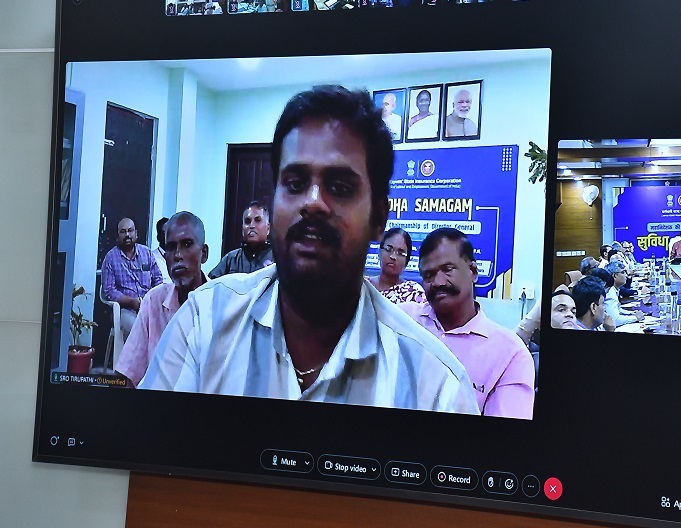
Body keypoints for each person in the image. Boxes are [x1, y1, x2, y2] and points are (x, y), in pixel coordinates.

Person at [141, 86, 478, 414]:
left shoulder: (435, 389)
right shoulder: (204, 324)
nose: (313, 202)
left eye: (340, 187)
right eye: (295, 184)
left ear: (378, 218)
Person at [399, 228, 535, 419]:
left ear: (473, 271)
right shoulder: (402, 321)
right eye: (428, 275)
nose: (438, 282)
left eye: (448, 269)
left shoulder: (510, 354)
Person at [115, 212, 208, 387]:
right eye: (171, 247)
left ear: (203, 253)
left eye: (187, 244)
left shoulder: (219, 305)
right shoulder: (154, 302)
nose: (177, 255)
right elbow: (126, 374)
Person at [101, 218, 164, 339]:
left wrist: (151, 299)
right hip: (124, 310)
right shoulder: (110, 258)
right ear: (117, 236)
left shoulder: (147, 253)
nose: (127, 235)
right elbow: (109, 291)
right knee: (138, 329)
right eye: (123, 231)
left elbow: (158, 279)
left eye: (130, 230)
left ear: (136, 233)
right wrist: (132, 302)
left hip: (149, 306)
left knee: (166, 325)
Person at [209, 201, 275, 278]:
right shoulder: (231, 259)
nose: (252, 225)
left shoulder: (277, 258)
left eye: (257, 220)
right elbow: (210, 282)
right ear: (243, 229)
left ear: (268, 228)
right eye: (247, 221)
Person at [371, 227, 426, 305]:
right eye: (388, 249)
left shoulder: (413, 292)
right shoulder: (364, 285)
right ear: (379, 251)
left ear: (407, 260)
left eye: (400, 253)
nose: (393, 256)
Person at [595, 264, 643, 328]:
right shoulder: (610, 291)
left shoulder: (614, 289)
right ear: (615, 276)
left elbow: (617, 309)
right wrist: (635, 318)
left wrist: (631, 313)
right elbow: (615, 320)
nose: (626, 275)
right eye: (623, 272)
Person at [152, 217, 171, 284]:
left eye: (170, 233)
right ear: (158, 237)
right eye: (165, 233)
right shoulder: (151, 257)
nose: (169, 237)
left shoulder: (178, 256)